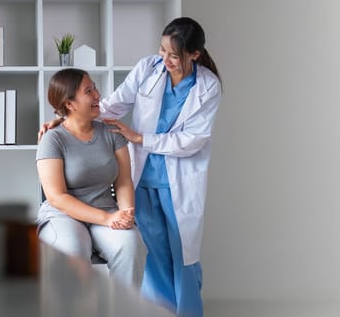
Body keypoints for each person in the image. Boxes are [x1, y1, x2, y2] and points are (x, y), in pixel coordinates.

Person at [40, 17, 222, 317]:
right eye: (161, 50)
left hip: (179, 178)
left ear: (194, 55)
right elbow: (111, 106)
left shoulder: (208, 86)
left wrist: (139, 137)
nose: (164, 59)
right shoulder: (148, 68)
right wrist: (63, 118)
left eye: (173, 55)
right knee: (155, 253)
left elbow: (194, 139)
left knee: (184, 256)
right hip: (143, 177)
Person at [35, 68, 147, 289]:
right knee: (71, 253)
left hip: (107, 211)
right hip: (63, 216)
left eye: (95, 88)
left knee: (131, 246)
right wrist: (107, 219)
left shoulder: (111, 132)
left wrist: (125, 213)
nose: (98, 95)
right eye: (89, 91)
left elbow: (123, 181)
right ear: (70, 104)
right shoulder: (52, 139)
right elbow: (57, 197)